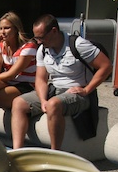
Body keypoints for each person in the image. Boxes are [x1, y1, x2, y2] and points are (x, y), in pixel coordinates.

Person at [11, 14, 111, 150]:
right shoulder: (43, 50)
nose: (39, 42)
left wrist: (87, 89)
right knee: (18, 103)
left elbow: (106, 66)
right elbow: (40, 79)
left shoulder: (78, 44)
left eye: (41, 37)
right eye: (36, 38)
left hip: (78, 94)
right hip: (55, 90)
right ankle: (17, 151)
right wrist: (42, 99)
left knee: (53, 105)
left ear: (54, 31)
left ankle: (55, 152)